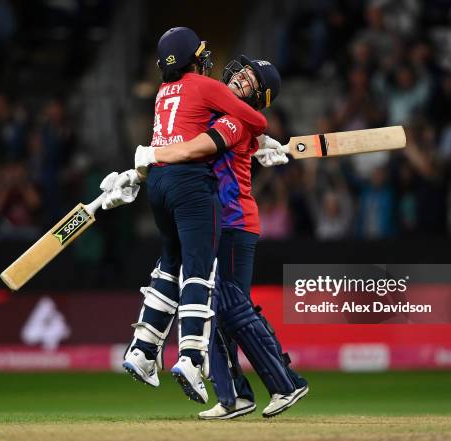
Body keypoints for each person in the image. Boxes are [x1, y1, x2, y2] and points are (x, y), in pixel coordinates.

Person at [108, 56, 308, 418]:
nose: (240, 79)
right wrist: (138, 172)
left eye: (250, 81)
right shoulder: (218, 111)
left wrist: (145, 161)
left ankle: (286, 382)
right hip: (215, 220)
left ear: (259, 97)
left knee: (230, 303)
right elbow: (182, 146)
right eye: (242, 72)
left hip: (234, 222)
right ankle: (234, 396)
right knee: (213, 306)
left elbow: (197, 148)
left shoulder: (236, 119)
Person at [100, 27, 267, 404]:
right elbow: (256, 120)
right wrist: (258, 141)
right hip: (190, 185)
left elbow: (173, 137)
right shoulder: (204, 86)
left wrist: (138, 171)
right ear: (193, 58)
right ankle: (191, 357)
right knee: (200, 268)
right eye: (201, 54)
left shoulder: (162, 92)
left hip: (157, 185)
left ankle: (143, 350)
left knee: (169, 263)